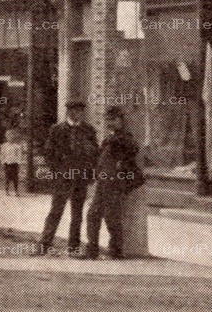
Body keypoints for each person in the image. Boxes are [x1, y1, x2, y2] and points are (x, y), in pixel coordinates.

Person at [35, 101, 99, 255]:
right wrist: (57, 172)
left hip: (80, 177)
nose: (78, 114)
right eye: (75, 111)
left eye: (81, 111)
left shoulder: (88, 130)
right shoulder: (57, 129)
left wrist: (90, 173)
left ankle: (73, 247)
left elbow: (95, 154)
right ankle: (44, 244)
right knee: (56, 211)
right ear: (69, 112)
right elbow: (49, 153)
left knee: (77, 214)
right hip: (63, 177)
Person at [84, 106, 144, 261]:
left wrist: (117, 139)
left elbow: (134, 149)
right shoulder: (109, 138)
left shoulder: (125, 137)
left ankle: (116, 250)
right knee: (93, 215)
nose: (110, 123)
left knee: (111, 217)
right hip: (103, 182)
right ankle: (92, 250)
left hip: (115, 183)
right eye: (108, 120)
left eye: (113, 120)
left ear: (121, 121)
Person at [0, 127, 26, 196]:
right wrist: (2, 162)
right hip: (7, 163)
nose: (10, 138)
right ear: (6, 137)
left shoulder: (17, 146)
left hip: (14, 163)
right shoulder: (4, 146)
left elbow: (19, 155)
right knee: (7, 177)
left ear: (14, 137)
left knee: (15, 177)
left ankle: (16, 191)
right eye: (8, 136)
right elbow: (2, 155)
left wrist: (19, 163)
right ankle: (6, 190)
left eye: (12, 136)